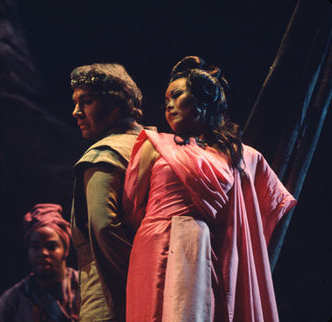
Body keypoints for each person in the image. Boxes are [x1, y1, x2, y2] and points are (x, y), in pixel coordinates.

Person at [122, 56, 297, 321]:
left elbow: (260, 209)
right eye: (166, 99)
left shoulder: (239, 156)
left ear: (202, 102)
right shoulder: (155, 144)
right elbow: (132, 206)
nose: (168, 104)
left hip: (208, 252)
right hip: (156, 246)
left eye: (177, 95)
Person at [70, 63, 146, 322]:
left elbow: (103, 226)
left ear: (115, 107)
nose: (76, 112)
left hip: (111, 301)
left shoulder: (105, 154)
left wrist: (136, 281)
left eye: (87, 102)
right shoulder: (160, 145)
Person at [0, 204, 79, 322]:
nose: (43, 253)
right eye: (35, 247)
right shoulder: (12, 301)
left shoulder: (87, 287)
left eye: (51, 246)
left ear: (66, 249)